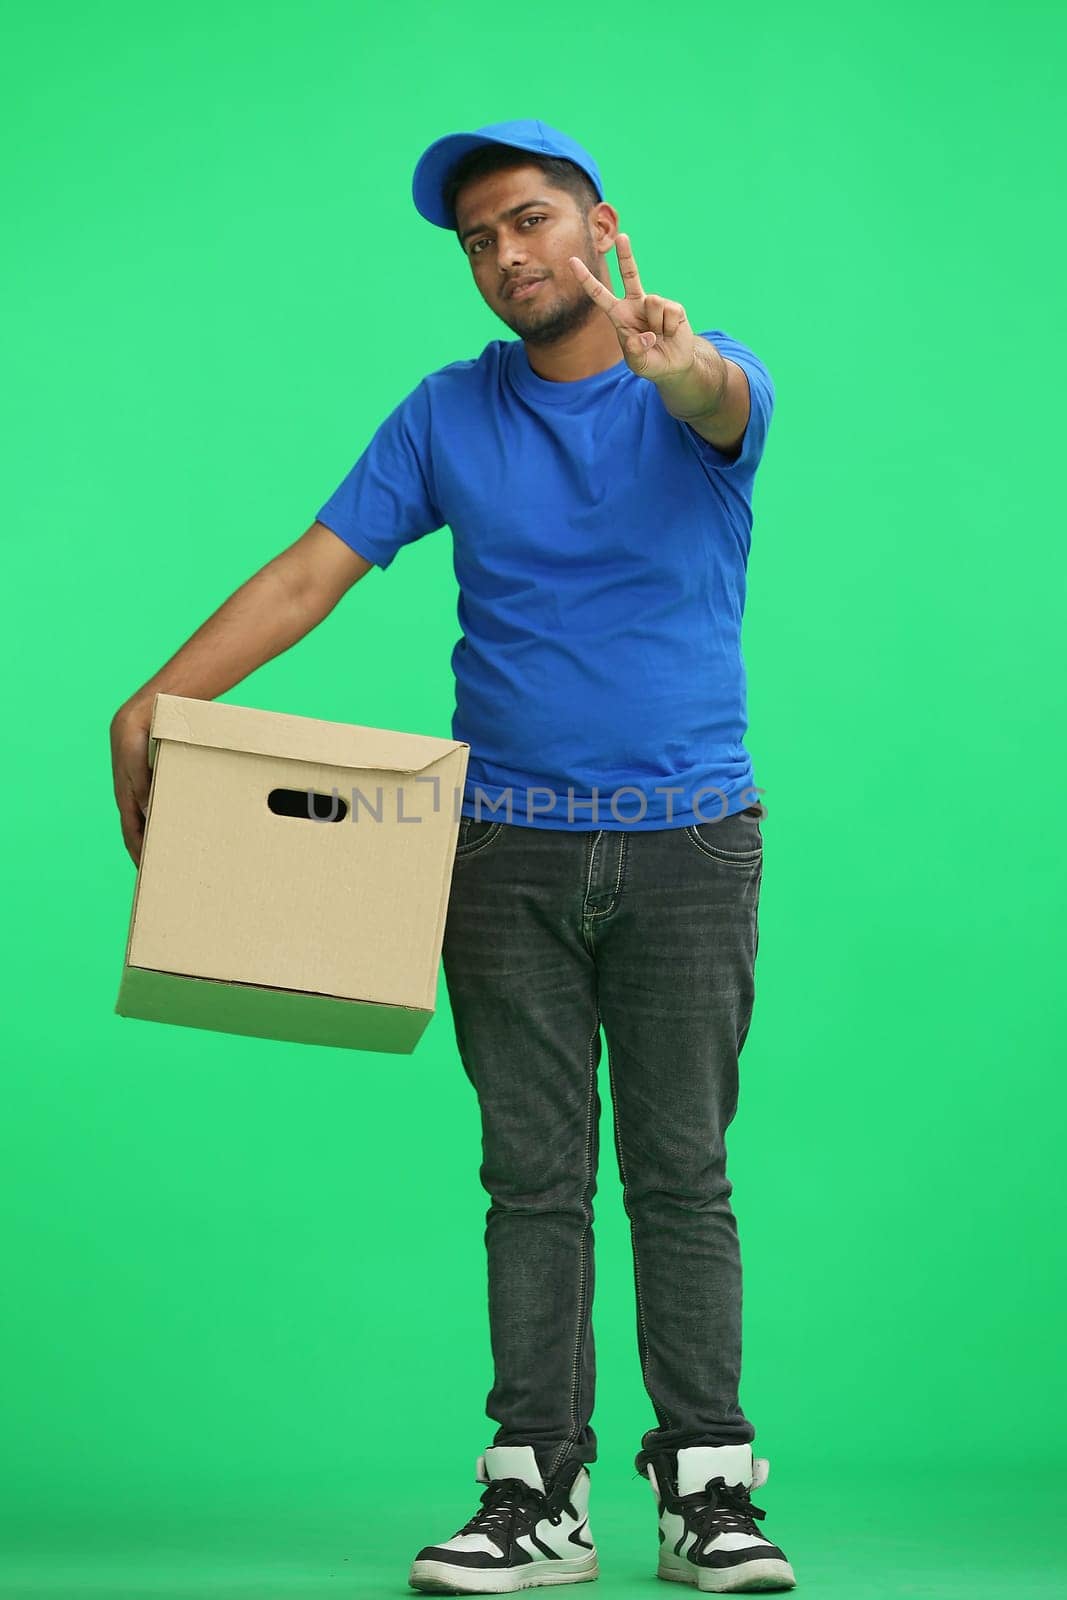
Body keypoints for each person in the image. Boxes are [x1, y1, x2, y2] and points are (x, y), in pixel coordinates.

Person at [109, 118, 795, 1596]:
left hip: (690, 849)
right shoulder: (444, 416)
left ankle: (710, 1491)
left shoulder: (700, 380)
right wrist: (157, 703)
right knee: (531, 1179)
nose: (507, 257)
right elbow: (310, 572)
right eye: (480, 239)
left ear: (603, 225)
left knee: (681, 1174)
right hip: (499, 854)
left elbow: (721, 401)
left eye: (532, 220)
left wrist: (676, 363)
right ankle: (533, 1491)